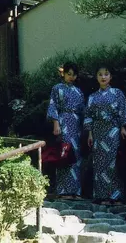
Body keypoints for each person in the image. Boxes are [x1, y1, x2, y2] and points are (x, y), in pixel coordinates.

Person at [84, 66, 126, 205]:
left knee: (113, 163)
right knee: (99, 164)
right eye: (100, 74)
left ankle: (116, 196)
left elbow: (123, 110)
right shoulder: (92, 97)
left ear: (110, 77)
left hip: (113, 130)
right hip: (98, 131)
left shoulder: (117, 93)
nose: (103, 77)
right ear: (96, 77)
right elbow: (88, 116)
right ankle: (102, 196)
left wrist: (123, 127)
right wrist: (90, 134)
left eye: (106, 74)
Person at [46, 62, 85, 199]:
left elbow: (83, 110)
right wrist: (56, 124)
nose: (71, 77)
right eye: (69, 74)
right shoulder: (57, 88)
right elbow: (53, 106)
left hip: (76, 123)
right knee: (64, 153)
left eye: (74, 75)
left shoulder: (78, 91)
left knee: (76, 156)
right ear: (63, 74)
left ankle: (76, 191)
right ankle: (63, 190)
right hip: (63, 121)